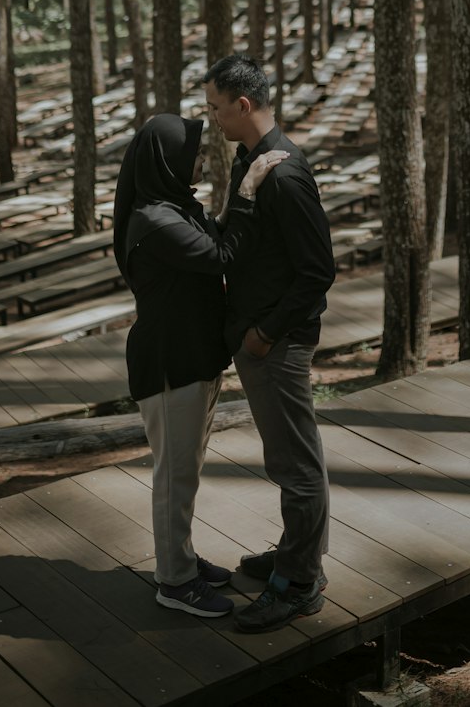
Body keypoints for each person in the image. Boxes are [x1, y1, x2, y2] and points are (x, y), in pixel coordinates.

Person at [113, 111, 287, 620]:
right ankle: (175, 581)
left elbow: (214, 234)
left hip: (192, 357)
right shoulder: (155, 220)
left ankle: (182, 560)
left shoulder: (172, 206)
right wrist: (249, 189)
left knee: (185, 470)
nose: (200, 159)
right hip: (169, 364)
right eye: (192, 152)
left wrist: (239, 194)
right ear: (167, 160)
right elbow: (220, 256)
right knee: (175, 477)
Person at [203, 55, 336, 633]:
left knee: (295, 464)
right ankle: (296, 555)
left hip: (276, 341)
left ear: (244, 105)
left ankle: (300, 584)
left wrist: (264, 334)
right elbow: (242, 236)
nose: (212, 119)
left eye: (215, 107)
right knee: (288, 458)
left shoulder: (284, 173)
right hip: (256, 332)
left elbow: (317, 271)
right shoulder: (250, 162)